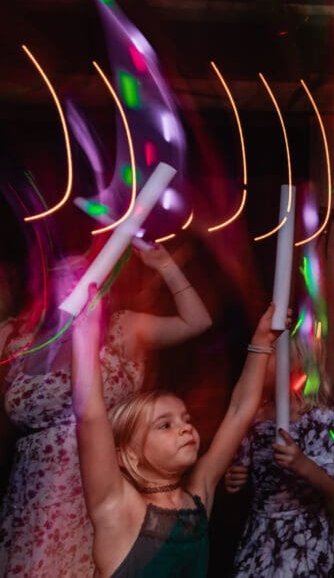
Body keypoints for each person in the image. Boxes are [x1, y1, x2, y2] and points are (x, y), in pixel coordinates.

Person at [0, 244, 213, 576]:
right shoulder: (17, 340)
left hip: (99, 489)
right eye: (63, 273)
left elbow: (197, 321)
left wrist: (164, 264)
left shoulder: (120, 329)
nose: (73, 279)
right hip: (31, 498)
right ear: (47, 283)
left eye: (83, 271)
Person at [72, 294, 283, 577]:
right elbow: (90, 417)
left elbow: (238, 411)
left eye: (185, 419)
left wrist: (261, 342)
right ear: (128, 454)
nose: (185, 427)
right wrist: (85, 337)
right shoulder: (118, 509)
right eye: (165, 425)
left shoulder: (197, 498)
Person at [224, 336, 334, 577]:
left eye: (269, 354)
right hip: (260, 534)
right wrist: (233, 479)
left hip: (304, 538)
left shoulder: (322, 420)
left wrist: (303, 465)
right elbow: (242, 471)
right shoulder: (253, 417)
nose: (261, 359)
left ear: (294, 364)